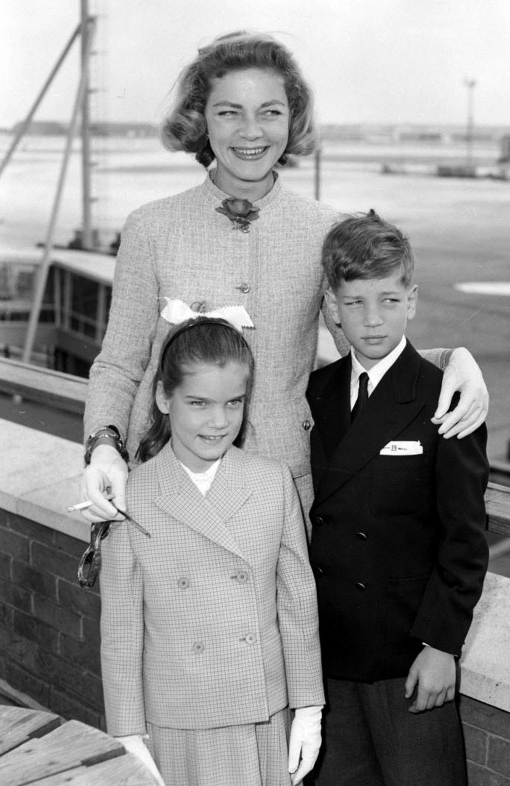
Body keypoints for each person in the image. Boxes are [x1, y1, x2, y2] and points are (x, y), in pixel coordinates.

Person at [81, 30, 488, 524]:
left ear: (291, 119)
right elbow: (119, 365)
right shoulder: (150, 227)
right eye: (229, 112)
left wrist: (454, 360)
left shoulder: (327, 230)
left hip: (285, 492)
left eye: (269, 111)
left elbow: (366, 348)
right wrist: (103, 447)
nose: (251, 132)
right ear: (200, 119)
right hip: (164, 481)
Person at [100, 317, 324, 786]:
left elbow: (297, 602)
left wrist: (309, 707)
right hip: (178, 715)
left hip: (259, 710)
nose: (217, 422)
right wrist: (127, 731)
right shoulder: (132, 495)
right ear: (162, 397)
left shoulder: (271, 482)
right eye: (198, 402)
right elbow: (123, 626)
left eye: (234, 403)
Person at [306, 211, 489, 786]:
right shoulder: (314, 393)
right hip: (330, 655)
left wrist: (443, 646)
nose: (373, 318)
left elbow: (465, 539)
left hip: (410, 656)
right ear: (332, 309)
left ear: (412, 301)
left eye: (388, 300)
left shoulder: (445, 397)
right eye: (355, 303)